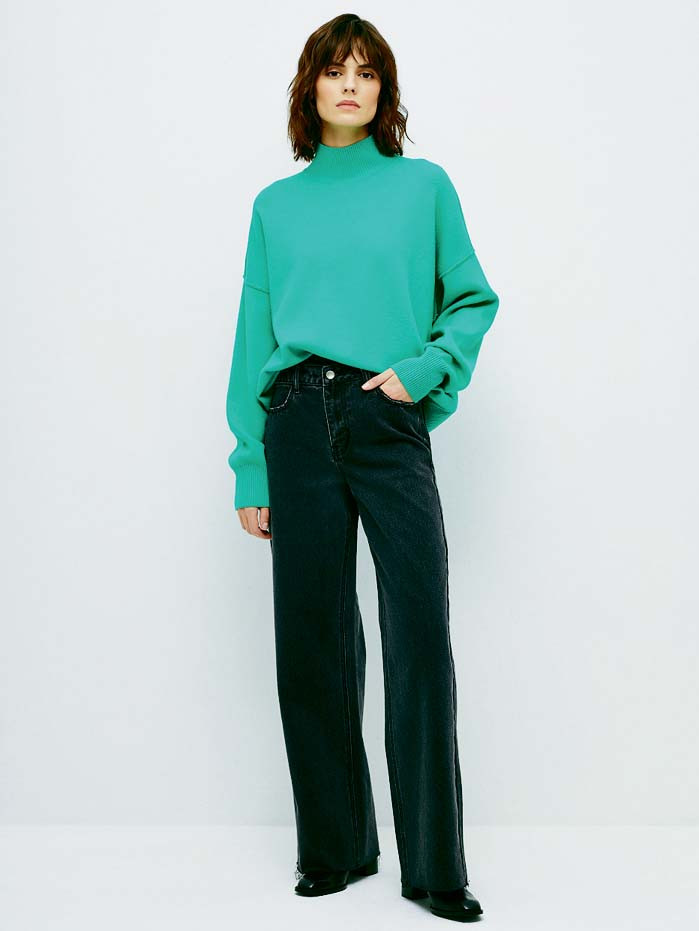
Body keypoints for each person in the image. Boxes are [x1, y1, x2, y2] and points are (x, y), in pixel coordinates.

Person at [225, 14, 499, 924]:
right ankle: (334, 848)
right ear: (309, 88)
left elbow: (471, 299)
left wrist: (421, 373)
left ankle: (434, 866)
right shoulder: (276, 205)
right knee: (312, 639)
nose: (350, 85)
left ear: (385, 91)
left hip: (386, 417)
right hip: (296, 419)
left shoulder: (423, 187)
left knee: (417, 629)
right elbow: (253, 337)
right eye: (334, 71)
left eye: (366, 72)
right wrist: (249, 465)